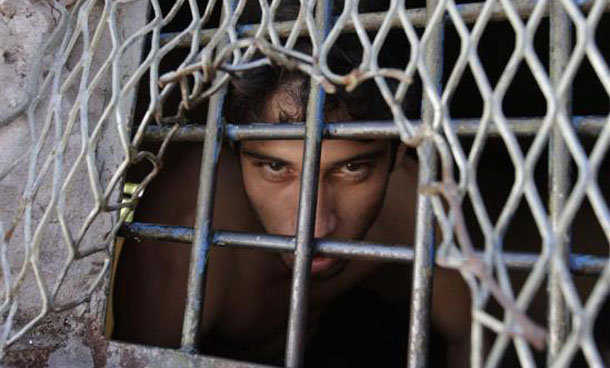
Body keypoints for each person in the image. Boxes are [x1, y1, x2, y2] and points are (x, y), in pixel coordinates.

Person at [112, 34, 473, 367]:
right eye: (274, 167)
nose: (313, 226)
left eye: (352, 168)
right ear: (235, 152)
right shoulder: (182, 236)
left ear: (398, 156)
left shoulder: (416, 201)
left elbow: (469, 337)